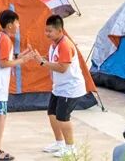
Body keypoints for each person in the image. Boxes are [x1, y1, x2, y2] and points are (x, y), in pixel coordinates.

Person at [0, 9, 33, 161]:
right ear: (10, 25)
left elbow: (6, 56)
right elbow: (3, 63)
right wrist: (23, 61)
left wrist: (22, 55)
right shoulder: (6, 40)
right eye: (17, 23)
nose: (18, 26)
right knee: (0, 116)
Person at [36, 15, 88, 158]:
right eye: (46, 31)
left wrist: (42, 63)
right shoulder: (54, 44)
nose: (47, 34)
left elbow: (62, 68)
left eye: (50, 31)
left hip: (70, 88)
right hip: (59, 87)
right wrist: (40, 58)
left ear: (60, 30)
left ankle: (70, 147)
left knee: (63, 118)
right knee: (52, 113)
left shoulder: (65, 45)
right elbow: (53, 60)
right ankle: (59, 143)